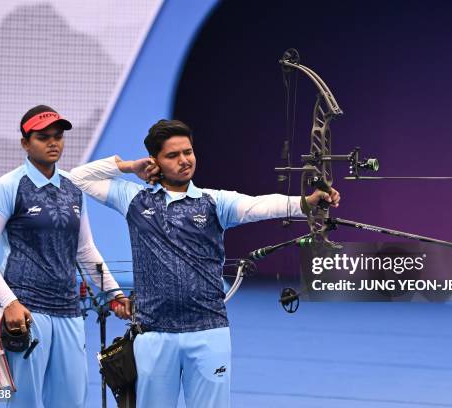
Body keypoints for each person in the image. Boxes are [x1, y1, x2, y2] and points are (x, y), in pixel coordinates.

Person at [70, 119, 340, 407]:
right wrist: (127, 167)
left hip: (208, 332)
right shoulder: (133, 199)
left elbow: (259, 206)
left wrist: (307, 202)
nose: (184, 161)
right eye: (172, 155)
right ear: (155, 161)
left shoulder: (213, 202)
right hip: (153, 334)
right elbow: (78, 177)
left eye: (188, 152)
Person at [0, 105, 130, 407]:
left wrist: (114, 293)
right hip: (27, 311)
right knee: (26, 402)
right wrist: (10, 303)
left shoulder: (73, 187)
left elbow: (85, 249)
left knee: (71, 399)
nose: (53, 143)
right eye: (43, 137)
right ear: (25, 143)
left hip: (69, 309)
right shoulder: (7, 186)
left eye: (58, 136)